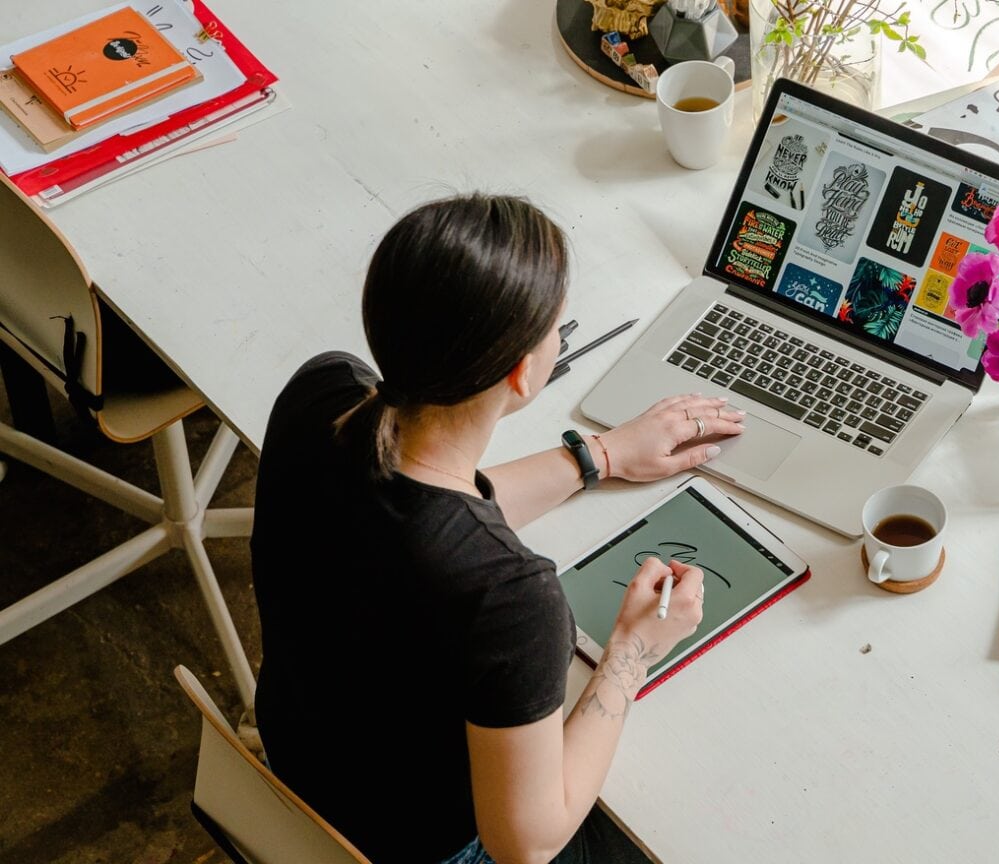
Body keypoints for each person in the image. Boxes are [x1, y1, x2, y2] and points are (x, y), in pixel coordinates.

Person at [250, 193, 745, 864]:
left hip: (291, 785)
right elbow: (525, 843)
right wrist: (633, 651)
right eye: (557, 328)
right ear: (522, 370)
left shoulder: (322, 393)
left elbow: (423, 509)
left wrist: (599, 456)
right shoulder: (512, 599)